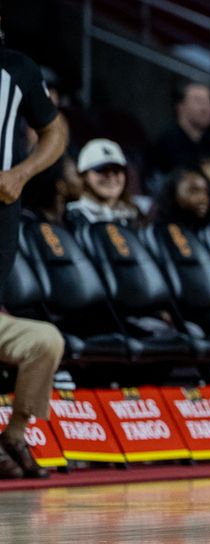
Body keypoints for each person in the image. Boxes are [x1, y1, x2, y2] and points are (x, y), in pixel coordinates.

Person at [0, 27, 69, 479]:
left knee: (46, 341)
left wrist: (21, 173)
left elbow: (55, 130)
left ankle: (14, 437)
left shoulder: (16, 68)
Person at [64, 138, 146, 229]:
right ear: (84, 175)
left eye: (116, 169)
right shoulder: (72, 215)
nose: (111, 176)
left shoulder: (134, 213)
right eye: (101, 169)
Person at [156, 168, 210, 232]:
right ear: (172, 191)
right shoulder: (155, 228)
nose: (203, 198)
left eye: (206, 192)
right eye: (193, 190)